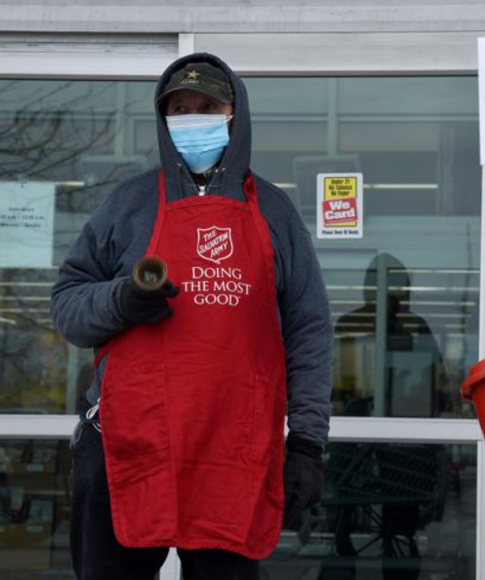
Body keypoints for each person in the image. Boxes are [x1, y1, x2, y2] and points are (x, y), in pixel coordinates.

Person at [51, 53, 334, 580]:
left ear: (235, 113)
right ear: (163, 120)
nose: (192, 118)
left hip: (234, 451)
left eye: (207, 106)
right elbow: (68, 308)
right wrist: (123, 301)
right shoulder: (128, 204)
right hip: (127, 449)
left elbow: (309, 331)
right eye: (180, 108)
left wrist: (308, 444)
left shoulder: (274, 212)